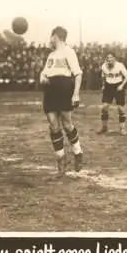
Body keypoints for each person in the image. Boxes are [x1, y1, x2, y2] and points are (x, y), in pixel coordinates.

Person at [40, 26, 84, 177]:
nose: (49, 39)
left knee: (67, 124)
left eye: (51, 36)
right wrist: (43, 77)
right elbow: (44, 72)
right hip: (50, 90)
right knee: (53, 125)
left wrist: (76, 94)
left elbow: (78, 74)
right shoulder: (51, 55)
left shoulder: (69, 52)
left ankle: (78, 153)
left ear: (55, 36)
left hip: (64, 88)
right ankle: (61, 161)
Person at [98, 53, 127, 135]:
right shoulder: (104, 66)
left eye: (111, 58)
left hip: (118, 86)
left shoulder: (120, 65)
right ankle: (104, 128)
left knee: (120, 108)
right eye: (107, 58)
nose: (109, 60)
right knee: (104, 107)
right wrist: (103, 85)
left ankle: (122, 129)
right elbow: (103, 76)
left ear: (114, 59)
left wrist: (121, 86)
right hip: (108, 87)